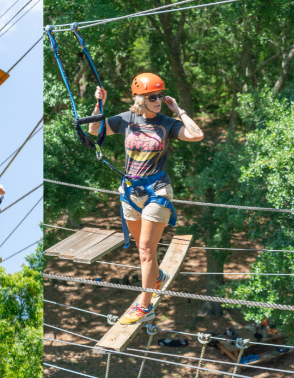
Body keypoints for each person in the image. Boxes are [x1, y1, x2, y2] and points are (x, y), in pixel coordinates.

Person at [86, 73, 206, 325]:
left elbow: (196, 135)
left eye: (161, 96)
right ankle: (157, 276)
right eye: (153, 97)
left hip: (157, 190)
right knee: (143, 250)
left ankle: (144, 307)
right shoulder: (126, 120)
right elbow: (94, 130)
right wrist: (100, 103)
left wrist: (178, 109)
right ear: (139, 98)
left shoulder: (166, 123)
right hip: (130, 192)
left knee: (145, 250)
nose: (159, 100)